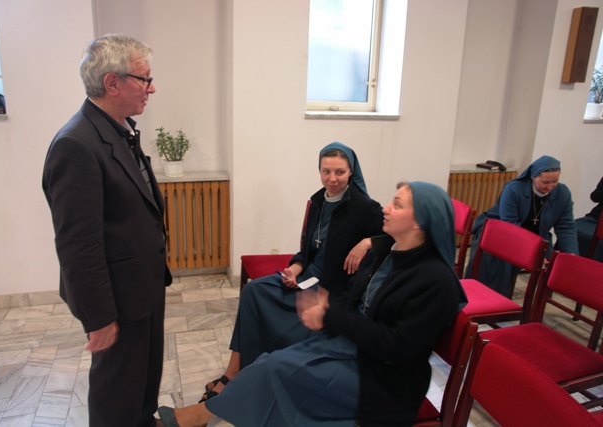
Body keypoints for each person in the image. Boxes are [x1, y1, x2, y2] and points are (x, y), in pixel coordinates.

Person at [157, 181, 467, 427]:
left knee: (275, 370)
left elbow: (396, 348)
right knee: (268, 361)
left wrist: (330, 315)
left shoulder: (436, 281)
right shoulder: (384, 252)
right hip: (351, 348)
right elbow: (350, 297)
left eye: (397, 205)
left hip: (381, 381)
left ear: (420, 222)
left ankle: (197, 416)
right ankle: (203, 413)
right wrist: (327, 312)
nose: (386, 208)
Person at [42, 34, 172, 427]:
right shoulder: (76, 145)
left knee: (142, 384)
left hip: (142, 288)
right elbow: (78, 245)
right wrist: (98, 318)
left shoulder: (118, 129)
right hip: (117, 299)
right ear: (112, 82)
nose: (151, 88)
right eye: (144, 79)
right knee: (117, 394)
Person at [200, 142, 384, 402]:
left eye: (340, 172)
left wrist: (368, 242)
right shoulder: (318, 202)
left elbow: (392, 237)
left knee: (290, 314)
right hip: (305, 279)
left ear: (351, 172)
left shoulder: (366, 207)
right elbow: (307, 249)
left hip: (330, 290)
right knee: (253, 291)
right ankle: (235, 369)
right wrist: (294, 269)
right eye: (326, 171)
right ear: (319, 170)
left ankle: (245, 374)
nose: (332, 179)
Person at [464, 155, 578, 297]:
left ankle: (532, 303)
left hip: (538, 238)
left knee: (553, 261)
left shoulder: (563, 193)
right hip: (499, 229)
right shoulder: (514, 188)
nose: (550, 187)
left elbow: (566, 226)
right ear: (533, 177)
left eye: (555, 181)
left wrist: (571, 253)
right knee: (498, 256)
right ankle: (485, 296)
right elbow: (510, 225)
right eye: (545, 182)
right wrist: (533, 253)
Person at [575, 175, 603, 261]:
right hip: (595, 218)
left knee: (598, 243)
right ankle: (558, 263)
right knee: (569, 228)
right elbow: (595, 197)